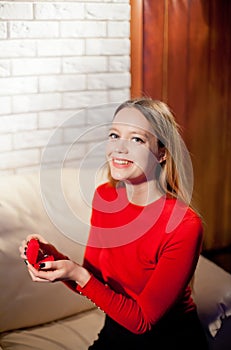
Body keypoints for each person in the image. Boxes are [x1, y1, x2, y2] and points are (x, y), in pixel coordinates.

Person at [19, 98, 209, 349]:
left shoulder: (185, 225)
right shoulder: (105, 197)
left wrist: (78, 274)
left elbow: (143, 321)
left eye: (137, 139)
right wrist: (53, 258)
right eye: (114, 135)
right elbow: (94, 281)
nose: (119, 148)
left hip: (168, 341)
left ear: (161, 153)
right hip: (116, 331)